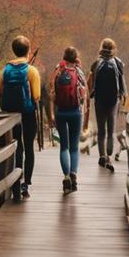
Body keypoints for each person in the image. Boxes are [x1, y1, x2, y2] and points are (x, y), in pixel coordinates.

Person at [0, 35, 40, 199]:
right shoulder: (31, 71)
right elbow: (36, 96)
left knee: (17, 147)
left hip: (10, 114)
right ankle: (26, 184)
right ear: (29, 51)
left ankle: (15, 182)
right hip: (28, 113)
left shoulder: (6, 69)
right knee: (29, 147)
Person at [49, 47, 87, 194]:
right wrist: (84, 115)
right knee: (74, 147)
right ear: (76, 57)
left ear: (64, 57)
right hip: (76, 112)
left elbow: (52, 93)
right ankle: (74, 175)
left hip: (61, 112)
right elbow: (85, 94)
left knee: (64, 146)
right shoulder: (79, 71)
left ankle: (66, 177)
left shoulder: (58, 70)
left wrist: (52, 114)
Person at [86, 38, 125, 172]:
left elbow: (90, 82)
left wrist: (90, 94)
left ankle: (102, 156)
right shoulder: (118, 62)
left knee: (101, 131)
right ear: (114, 49)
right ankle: (109, 155)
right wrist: (122, 95)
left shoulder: (96, 63)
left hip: (99, 100)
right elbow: (121, 81)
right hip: (114, 100)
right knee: (111, 131)